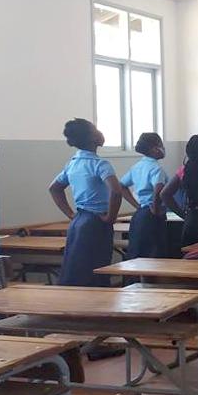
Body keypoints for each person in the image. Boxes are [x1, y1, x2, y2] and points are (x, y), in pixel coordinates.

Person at [49, 118, 122, 287]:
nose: (100, 132)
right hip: (96, 222)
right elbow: (116, 191)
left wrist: (71, 214)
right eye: (95, 129)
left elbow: (54, 188)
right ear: (92, 138)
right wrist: (111, 217)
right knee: (97, 269)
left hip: (79, 221)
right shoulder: (100, 164)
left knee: (76, 267)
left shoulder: (72, 164)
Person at [120, 132, 169, 259]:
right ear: (154, 148)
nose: (163, 148)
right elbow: (158, 189)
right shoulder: (156, 168)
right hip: (153, 214)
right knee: (153, 252)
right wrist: (156, 208)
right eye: (161, 145)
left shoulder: (137, 167)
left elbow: (121, 186)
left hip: (140, 212)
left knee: (137, 250)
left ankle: (134, 278)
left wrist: (137, 205)